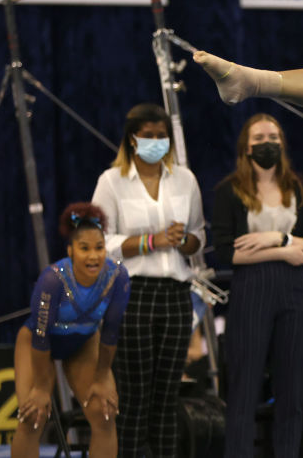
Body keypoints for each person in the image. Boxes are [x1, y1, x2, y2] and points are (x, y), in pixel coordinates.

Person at [91, 103, 205, 458]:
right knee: (136, 393)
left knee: (168, 394)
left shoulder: (185, 179)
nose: (157, 142)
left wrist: (183, 239)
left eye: (162, 136)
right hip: (133, 293)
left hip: (175, 293)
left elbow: (198, 235)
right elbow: (101, 244)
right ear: (133, 139)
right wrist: (151, 241)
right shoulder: (112, 181)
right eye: (149, 136)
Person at [210, 113, 303, 458]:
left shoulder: (301, 190)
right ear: (246, 146)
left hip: (294, 293)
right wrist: (285, 251)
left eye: (273, 137)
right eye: (259, 138)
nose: (267, 143)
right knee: (244, 390)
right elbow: (226, 252)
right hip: (251, 291)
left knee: (292, 390)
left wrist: (272, 238)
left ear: (283, 143)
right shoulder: (229, 192)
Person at [12, 203, 130, 458]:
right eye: (84, 248)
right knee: (33, 416)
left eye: (99, 248)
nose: (93, 256)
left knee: (105, 412)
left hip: (83, 344)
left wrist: (101, 378)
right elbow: (41, 337)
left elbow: (110, 333)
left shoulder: (117, 277)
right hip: (36, 343)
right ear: (71, 251)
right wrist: (42, 388)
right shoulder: (53, 280)